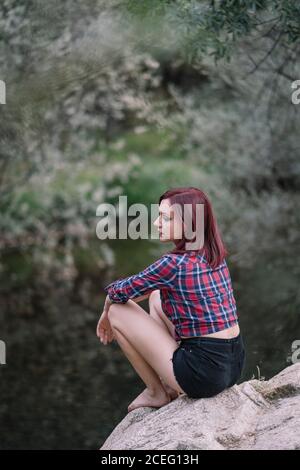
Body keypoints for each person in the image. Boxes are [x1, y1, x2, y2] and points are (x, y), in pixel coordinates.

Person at [96, 187, 246, 413]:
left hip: (202, 377)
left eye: (165, 218)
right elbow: (142, 288)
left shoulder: (173, 264)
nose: (156, 223)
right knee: (156, 294)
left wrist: (106, 315)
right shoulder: (213, 253)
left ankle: (156, 392)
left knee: (117, 311)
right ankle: (170, 380)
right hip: (233, 366)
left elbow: (117, 293)